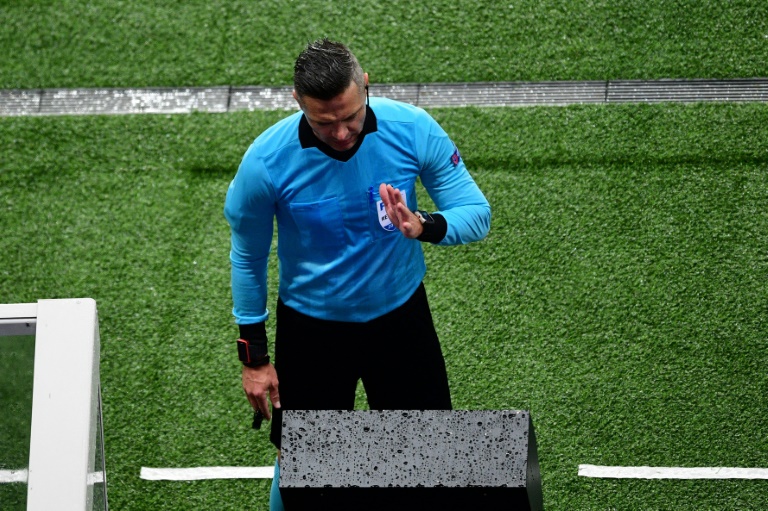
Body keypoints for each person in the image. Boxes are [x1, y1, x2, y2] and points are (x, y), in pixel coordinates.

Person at [224, 38, 491, 510]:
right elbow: (247, 257)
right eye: (324, 123)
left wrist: (423, 225)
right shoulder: (265, 161)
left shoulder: (412, 128)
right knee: (306, 475)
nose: (343, 133)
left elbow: (476, 212)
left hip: (401, 320)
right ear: (297, 101)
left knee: (426, 461)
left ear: (365, 84)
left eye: (350, 116)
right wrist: (254, 358)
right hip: (312, 332)